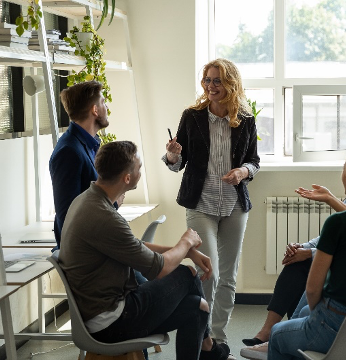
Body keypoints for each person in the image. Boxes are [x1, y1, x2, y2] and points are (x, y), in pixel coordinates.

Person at [59, 141, 231, 360]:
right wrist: (185, 243)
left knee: (196, 307)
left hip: (101, 315)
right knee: (187, 274)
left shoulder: (86, 201)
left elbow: (135, 246)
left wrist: (185, 251)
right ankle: (210, 349)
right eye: (139, 168)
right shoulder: (104, 216)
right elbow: (159, 269)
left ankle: (208, 349)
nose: (141, 172)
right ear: (127, 178)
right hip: (111, 323)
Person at [243, 143, 346, 359]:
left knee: (277, 334)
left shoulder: (339, 222)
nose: (341, 174)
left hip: (334, 322)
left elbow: (313, 290)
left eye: (344, 168)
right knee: (302, 314)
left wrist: (320, 317)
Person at [162, 58, 260, 343]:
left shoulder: (246, 118)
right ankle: (203, 336)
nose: (210, 86)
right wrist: (171, 154)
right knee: (210, 272)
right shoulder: (192, 116)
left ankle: (218, 338)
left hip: (234, 205)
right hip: (200, 203)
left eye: (217, 80)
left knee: (229, 275)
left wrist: (243, 171)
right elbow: (177, 163)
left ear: (231, 83)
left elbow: (254, 161)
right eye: (206, 80)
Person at [49, 80, 122, 250]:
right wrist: (114, 201)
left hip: (100, 244)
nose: (107, 107)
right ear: (95, 110)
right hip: (87, 253)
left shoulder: (89, 145)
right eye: (103, 102)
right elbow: (69, 215)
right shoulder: (68, 151)